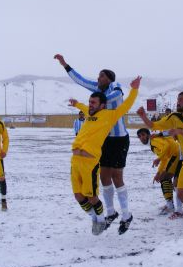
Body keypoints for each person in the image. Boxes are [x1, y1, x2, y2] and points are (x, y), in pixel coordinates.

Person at [54, 54, 132, 231]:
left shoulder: (115, 87)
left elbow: (115, 97)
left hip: (119, 138)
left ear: (109, 78)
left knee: (116, 177)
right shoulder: (99, 90)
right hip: (103, 141)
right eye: (97, 77)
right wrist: (65, 64)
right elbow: (80, 80)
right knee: (104, 177)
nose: (98, 79)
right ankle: (111, 212)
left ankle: (126, 214)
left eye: (101, 76)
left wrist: (99, 101)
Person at [69, 76, 141, 235]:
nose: (90, 105)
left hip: (98, 155)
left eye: (93, 103)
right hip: (76, 159)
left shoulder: (109, 114)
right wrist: (76, 104)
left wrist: (134, 90)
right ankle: (99, 216)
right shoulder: (89, 112)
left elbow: (126, 105)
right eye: (90, 102)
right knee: (81, 193)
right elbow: (84, 105)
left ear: (102, 105)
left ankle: (107, 219)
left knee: (96, 192)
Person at [137, 91, 183, 228]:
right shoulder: (174, 117)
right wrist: (143, 116)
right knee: (181, 193)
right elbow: (154, 126)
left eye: (181, 99)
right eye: (177, 99)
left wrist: (180, 132)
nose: (178, 102)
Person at [136, 128, 181, 215]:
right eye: (139, 136)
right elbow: (164, 157)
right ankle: (174, 203)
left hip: (175, 154)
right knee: (176, 182)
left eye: (143, 135)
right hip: (176, 154)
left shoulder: (153, 141)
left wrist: (158, 159)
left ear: (148, 135)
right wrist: (158, 172)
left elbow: (166, 147)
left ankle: (170, 205)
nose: (141, 137)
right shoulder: (153, 142)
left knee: (165, 178)